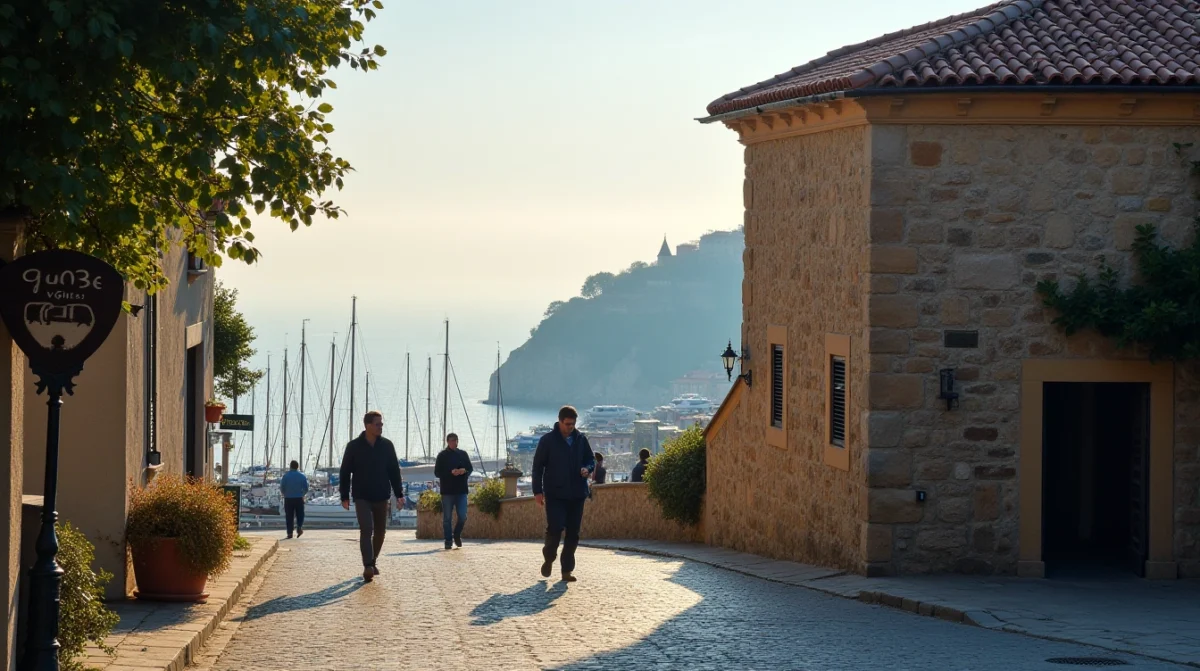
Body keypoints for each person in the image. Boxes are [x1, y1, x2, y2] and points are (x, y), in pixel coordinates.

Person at [339, 410, 404, 582]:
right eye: (377, 424)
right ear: (368, 426)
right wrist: (344, 495)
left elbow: (394, 471)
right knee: (366, 529)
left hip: (381, 495)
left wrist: (399, 494)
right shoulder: (353, 446)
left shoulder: (387, 446)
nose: (381, 426)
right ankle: (368, 565)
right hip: (361, 495)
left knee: (381, 532)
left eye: (381, 424)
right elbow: (345, 472)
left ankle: (373, 561)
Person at [532, 405, 594, 583]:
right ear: (559, 421)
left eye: (573, 424)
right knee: (555, 529)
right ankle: (549, 557)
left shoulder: (581, 439)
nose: (570, 427)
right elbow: (537, 468)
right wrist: (538, 491)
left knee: (573, 534)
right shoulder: (547, 441)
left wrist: (587, 468)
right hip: (555, 494)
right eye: (567, 424)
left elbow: (590, 459)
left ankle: (566, 570)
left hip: (577, 493)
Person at [433, 432, 473, 550]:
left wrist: (464, 471)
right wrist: (450, 473)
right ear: (447, 442)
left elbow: (470, 469)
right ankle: (448, 541)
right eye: (451, 440)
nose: (453, 442)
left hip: (461, 490)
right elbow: (437, 472)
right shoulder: (442, 455)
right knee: (447, 518)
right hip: (447, 491)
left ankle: (456, 534)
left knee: (463, 516)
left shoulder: (463, 454)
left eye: (455, 440)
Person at [280, 460, 309, 539]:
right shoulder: (302, 476)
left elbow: (282, 487)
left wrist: (285, 494)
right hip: (299, 498)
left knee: (289, 516)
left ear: (290, 466)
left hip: (288, 499)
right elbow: (306, 488)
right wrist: (302, 494)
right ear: (297, 467)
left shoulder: (285, 476)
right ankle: (299, 527)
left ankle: (289, 533)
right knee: (300, 514)